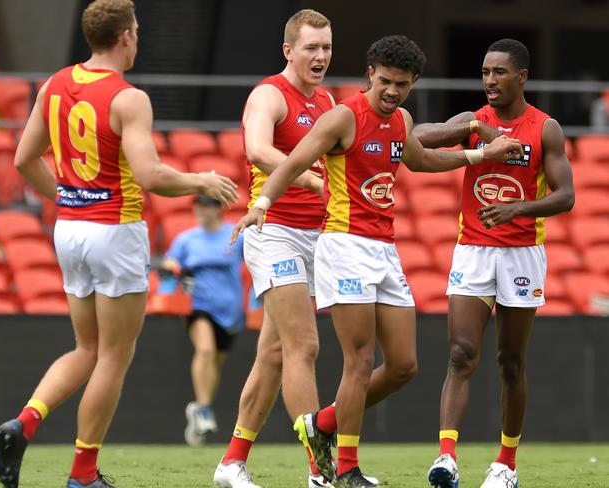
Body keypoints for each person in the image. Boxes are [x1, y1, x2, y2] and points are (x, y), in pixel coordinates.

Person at [233, 35, 524, 488]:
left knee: (404, 365)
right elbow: (292, 163)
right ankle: (346, 468)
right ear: (370, 73)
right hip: (344, 246)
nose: (392, 91)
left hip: (384, 249)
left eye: (402, 84)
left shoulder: (402, 119)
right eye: (386, 81)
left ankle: (322, 423)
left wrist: (481, 154)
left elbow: (423, 160)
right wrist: (262, 203)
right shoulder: (343, 117)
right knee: (360, 360)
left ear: (413, 84)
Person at [0, 1, 238, 487]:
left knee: (86, 347)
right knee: (113, 356)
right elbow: (149, 175)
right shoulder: (129, 98)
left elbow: (24, 158)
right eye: (138, 31)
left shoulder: (55, 84)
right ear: (125, 36)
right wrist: (200, 180)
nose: (139, 38)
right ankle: (83, 475)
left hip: (70, 230)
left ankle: (24, 423)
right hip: (115, 231)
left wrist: (67, 203)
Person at [413, 38, 574, 488]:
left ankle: (506, 463)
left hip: (522, 252)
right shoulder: (473, 121)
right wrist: (475, 135)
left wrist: (517, 210)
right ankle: (446, 457)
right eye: (484, 72)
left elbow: (566, 196)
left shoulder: (545, 129)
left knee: (509, 363)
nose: (489, 80)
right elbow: (415, 141)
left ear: (521, 76)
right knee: (461, 354)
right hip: (474, 251)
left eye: (499, 72)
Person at [212, 9, 337, 488]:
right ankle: (319, 470)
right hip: (275, 231)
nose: (320, 56)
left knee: (273, 354)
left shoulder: (326, 101)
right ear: (289, 51)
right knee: (304, 345)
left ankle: (231, 463)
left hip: (316, 236)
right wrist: (306, 177)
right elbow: (258, 149)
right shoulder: (269, 94)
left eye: (326, 47)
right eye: (311, 48)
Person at [161, 196, 245, 447]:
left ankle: (199, 408)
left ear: (218, 209)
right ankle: (205, 410)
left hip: (229, 310)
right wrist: (172, 267)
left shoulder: (235, 235)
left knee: (215, 364)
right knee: (205, 349)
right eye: (197, 206)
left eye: (206, 205)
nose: (200, 210)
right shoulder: (187, 239)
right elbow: (169, 261)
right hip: (198, 305)